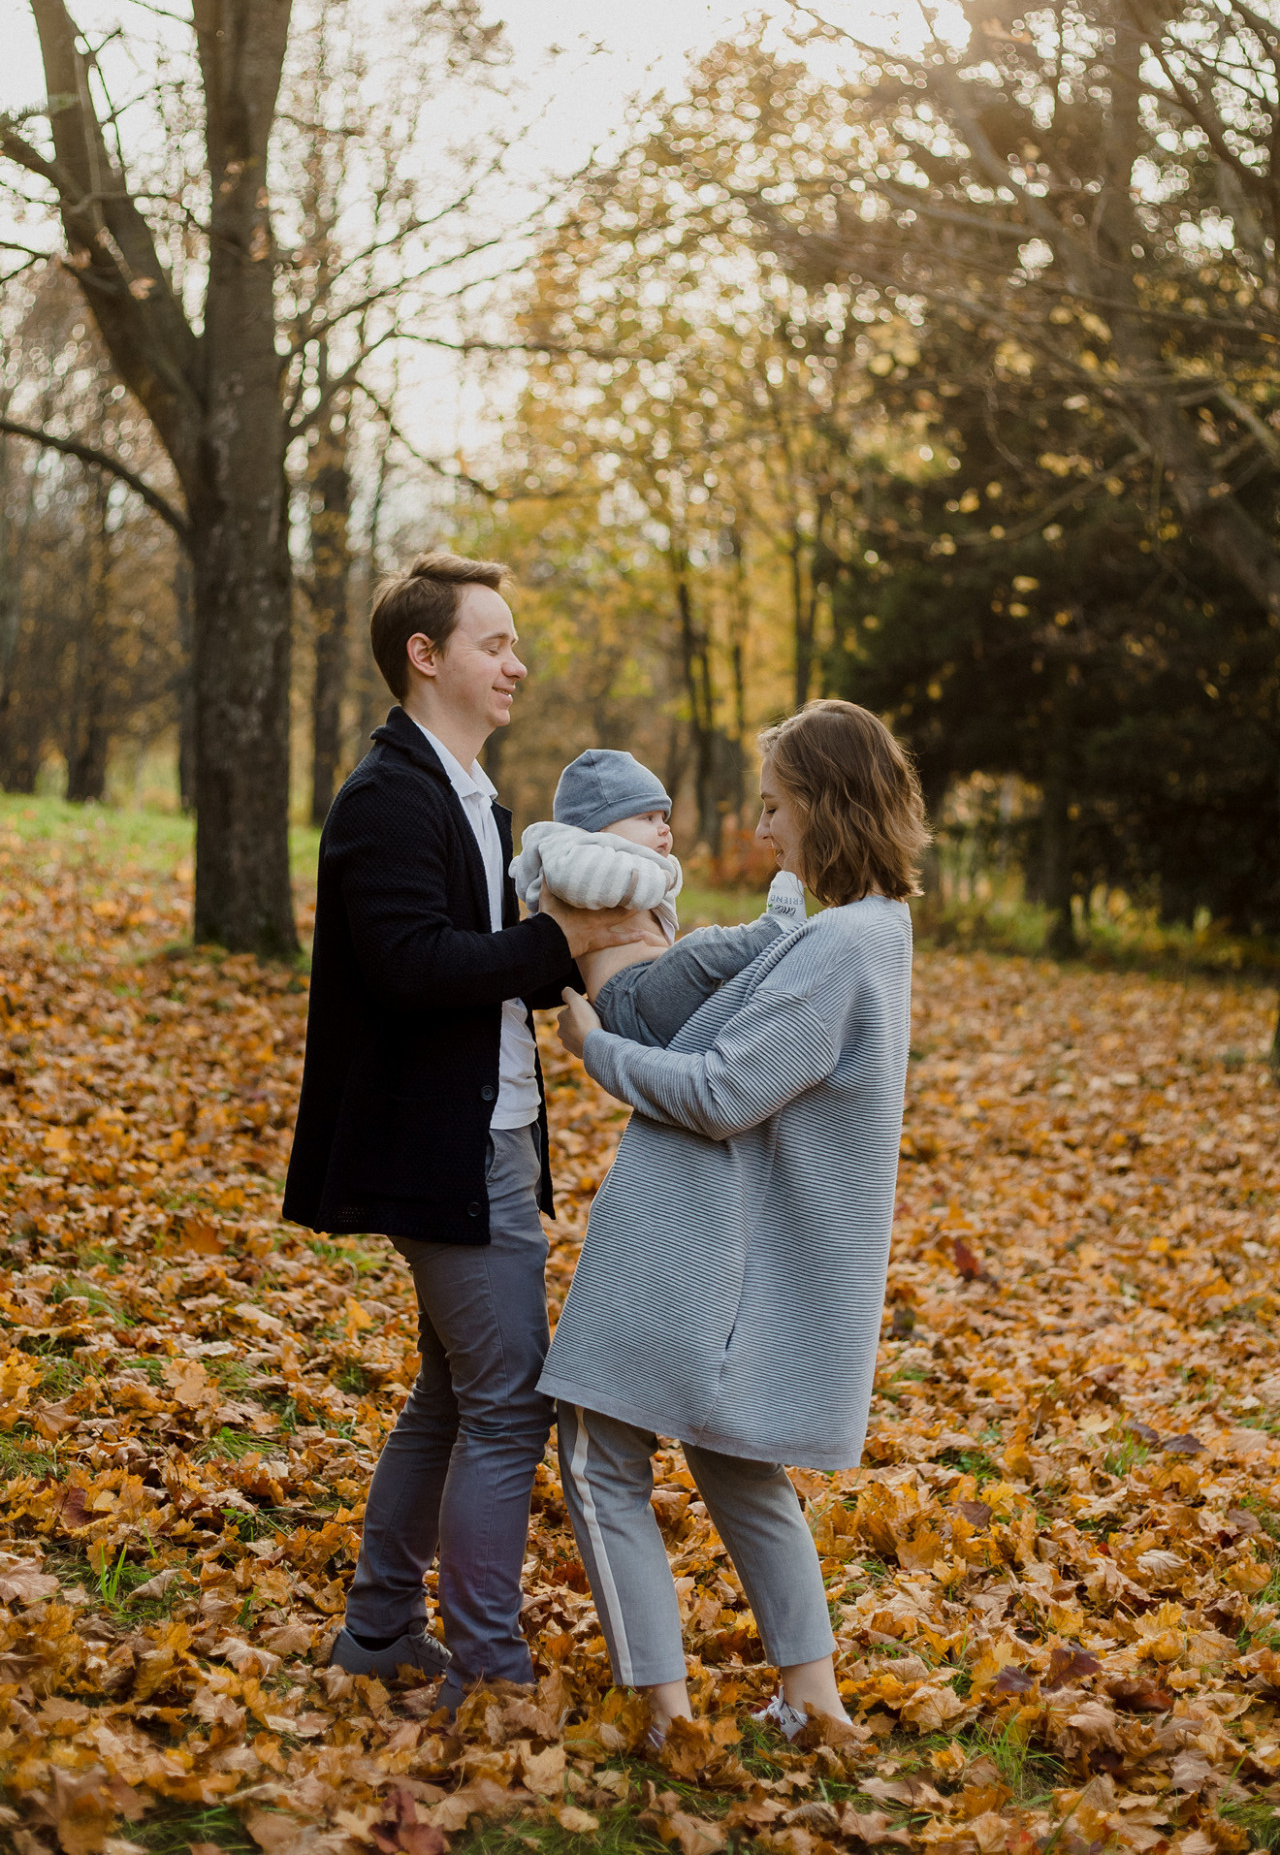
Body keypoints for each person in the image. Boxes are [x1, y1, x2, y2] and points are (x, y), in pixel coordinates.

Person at [282, 550, 652, 1710]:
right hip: (437, 1149)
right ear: (424, 655)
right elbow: (407, 968)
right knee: (507, 1403)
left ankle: (379, 1635)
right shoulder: (387, 795)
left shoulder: (475, 794)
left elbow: (482, 969)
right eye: (494, 643)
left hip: (490, 1134)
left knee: (453, 1395)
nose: (517, 664)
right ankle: (487, 1671)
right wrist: (565, 943)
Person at [538, 700, 928, 1744]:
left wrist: (592, 1047)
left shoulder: (841, 946)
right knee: (737, 1465)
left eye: (775, 808)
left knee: (593, 1446)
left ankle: (662, 1712)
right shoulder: (867, 934)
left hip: (701, 1245)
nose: (763, 833)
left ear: (826, 807)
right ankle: (810, 1698)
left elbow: (719, 1090)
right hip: (734, 1247)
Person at [512, 746, 810, 1044]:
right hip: (629, 994)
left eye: (663, 818)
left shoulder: (628, 863)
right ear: (599, 829)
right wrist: (655, 877)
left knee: (733, 989)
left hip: (646, 994)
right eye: (648, 818)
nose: (664, 828)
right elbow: (575, 878)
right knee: (699, 950)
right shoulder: (574, 853)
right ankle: (773, 929)